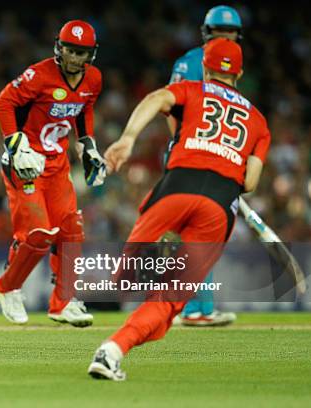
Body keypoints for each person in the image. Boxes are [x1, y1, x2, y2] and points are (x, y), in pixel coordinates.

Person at [88, 38, 271, 380]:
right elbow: (250, 183)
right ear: (240, 74)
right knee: (169, 302)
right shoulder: (259, 123)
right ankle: (112, 351)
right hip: (219, 205)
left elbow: (156, 98)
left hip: (176, 187)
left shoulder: (192, 89)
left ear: (205, 68)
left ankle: (147, 265)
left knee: (125, 277)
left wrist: (127, 138)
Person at [0, 20, 106, 326]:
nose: (74, 58)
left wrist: (88, 145)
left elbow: (84, 109)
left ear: (90, 54)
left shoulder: (93, 79)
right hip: (25, 163)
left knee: (72, 231)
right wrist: (15, 145)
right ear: (60, 48)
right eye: (70, 50)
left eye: (81, 52)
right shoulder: (38, 74)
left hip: (57, 165)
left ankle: (63, 303)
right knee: (39, 234)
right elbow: (3, 102)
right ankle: (8, 287)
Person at [167, 5, 243, 326]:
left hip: (217, 158)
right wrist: (184, 147)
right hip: (191, 156)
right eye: (218, 32)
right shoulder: (189, 63)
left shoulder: (233, 63)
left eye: (229, 33)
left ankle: (199, 309)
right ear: (206, 33)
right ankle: (190, 309)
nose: (224, 37)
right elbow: (172, 109)